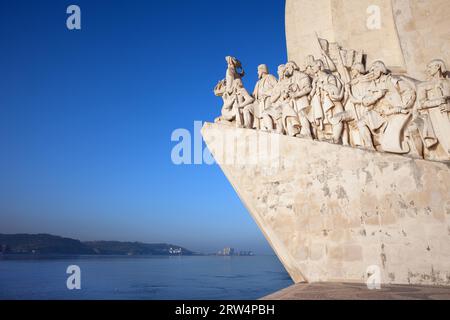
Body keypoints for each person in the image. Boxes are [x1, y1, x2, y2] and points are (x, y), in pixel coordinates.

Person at [243, 64, 277, 129]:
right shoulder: (258, 82)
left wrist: (267, 93)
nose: (257, 72)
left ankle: (270, 128)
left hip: (267, 100)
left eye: (258, 70)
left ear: (262, 70)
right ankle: (247, 126)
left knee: (265, 113)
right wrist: (244, 94)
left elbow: (277, 88)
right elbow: (253, 95)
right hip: (258, 103)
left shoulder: (270, 77)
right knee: (247, 108)